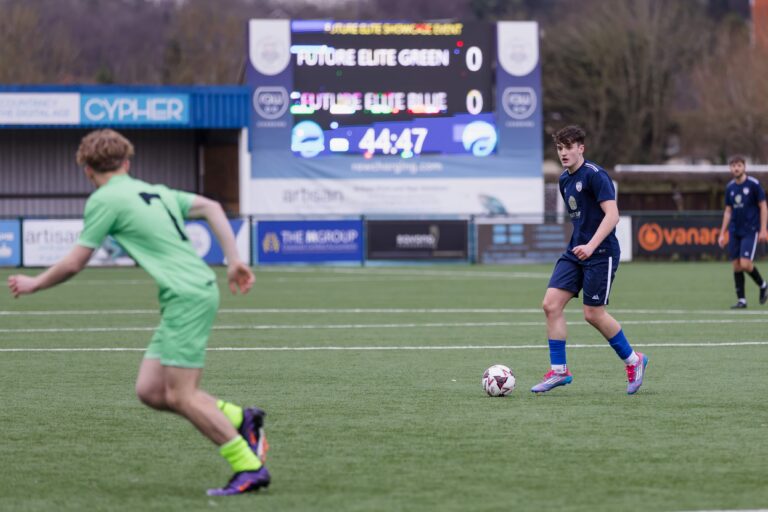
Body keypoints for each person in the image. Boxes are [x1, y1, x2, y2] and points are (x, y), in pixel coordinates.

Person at [7, 129, 270, 496]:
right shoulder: (155, 191)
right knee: (150, 389)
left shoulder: (104, 200)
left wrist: (35, 283)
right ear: (127, 164)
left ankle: (248, 466)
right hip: (188, 292)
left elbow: (75, 262)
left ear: (86, 169)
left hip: (186, 296)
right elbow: (211, 206)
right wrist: (234, 260)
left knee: (182, 395)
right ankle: (242, 419)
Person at [531, 125, 648, 395]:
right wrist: (580, 246)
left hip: (601, 252)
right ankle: (559, 371)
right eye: (560, 148)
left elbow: (612, 215)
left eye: (569, 147)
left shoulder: (596, 176)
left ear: (581, 148)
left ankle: (634, 360)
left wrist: (592, 245)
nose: (564, 153)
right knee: (550, 305)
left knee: (593, 314)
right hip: (575, 251)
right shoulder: (563, 180)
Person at [717, 155, 768, 309]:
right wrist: (722, 233)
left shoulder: (753, 184)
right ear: (730, 168)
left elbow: (763, 206)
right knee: (736, 266)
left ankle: (763, 285)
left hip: (750, 230)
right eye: (733, 166)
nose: (736, 168)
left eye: (738, 165)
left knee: (745, 264)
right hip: (734, 231)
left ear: (744, 167)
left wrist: (763, 229)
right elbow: (727, 211)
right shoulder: (730, 187)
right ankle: (742, 300)